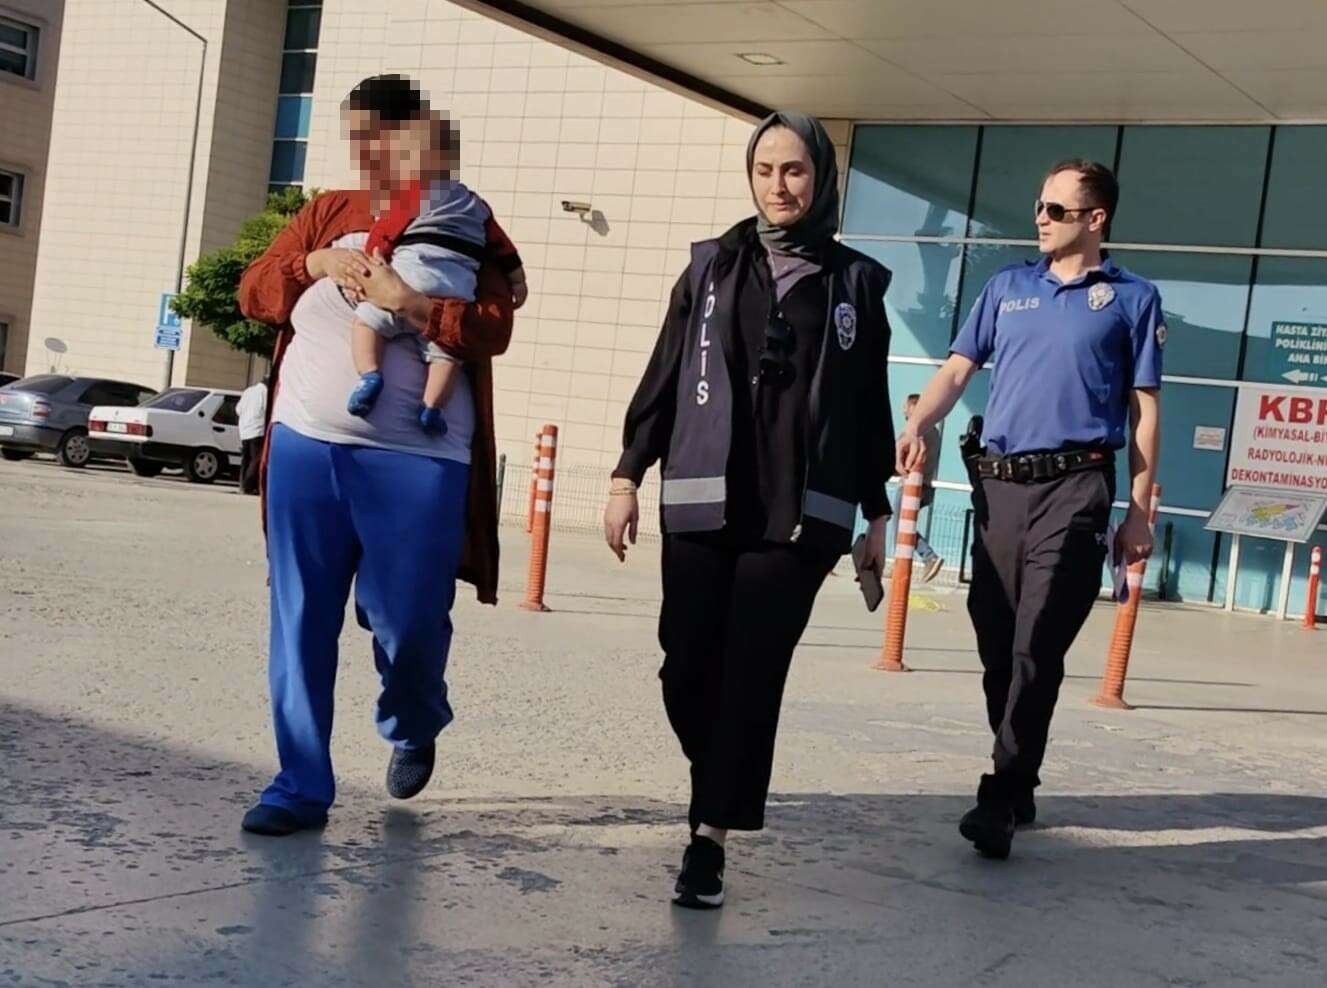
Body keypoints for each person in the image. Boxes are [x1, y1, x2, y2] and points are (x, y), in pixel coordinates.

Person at [603, 111, 895, 908]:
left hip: (801, 516)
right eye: (765, 170)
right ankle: (720, 780)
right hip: (704, 498)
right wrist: (628, 474)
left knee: (751, 674)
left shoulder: (855, 282)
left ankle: (708, 839)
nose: (778, 185)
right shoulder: (710, 266)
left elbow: (867, 405)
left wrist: (876, 514)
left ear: (820, 177)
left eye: (794, 170)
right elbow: (665, 372)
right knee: (684, 665)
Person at [234, 74, 524, 837]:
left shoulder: (461, 213)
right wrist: (313, 264)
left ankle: (413, 719)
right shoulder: (328, 212)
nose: (364, 153)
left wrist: (410, 304)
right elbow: (253, 293)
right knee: (300, 616)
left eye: (377, 137)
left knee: (409, 619)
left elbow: (493, 326)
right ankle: (299, 785)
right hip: (305, 444)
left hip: (420, 459)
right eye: (354, 138)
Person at [898, 159, 1162, 860]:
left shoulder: (1132, 299)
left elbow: (1143, 410)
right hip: (1000, 489)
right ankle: (1018, 779)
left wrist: (1138, 510)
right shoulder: (1006, 288)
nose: (1040, 219)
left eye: (1056, 210)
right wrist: (918, 422)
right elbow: (957, 369)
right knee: (995, 640)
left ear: (1095, 219)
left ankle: (999, 792)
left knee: (1037, 640)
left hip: (1076, 488)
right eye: (1039, 207)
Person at [345, 78, 526, 433]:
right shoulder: (476, 204)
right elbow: (503, 247)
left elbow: (384, 235)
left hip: (410, 275)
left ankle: (369, 374)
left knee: (366, 323)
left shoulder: (412, 195)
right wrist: (518, 281)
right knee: (447, 356)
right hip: (455, 289)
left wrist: (368, 270)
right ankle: (431, 407)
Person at [899, 393, 944, 582]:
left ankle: (928, 556)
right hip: (925, 485)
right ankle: (902, 564)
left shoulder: (917, 432)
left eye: (907, 407)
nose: (904, 411)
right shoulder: (933, 431)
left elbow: (905, 457)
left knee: (902, 526)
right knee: (903, 526)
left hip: (913, 485)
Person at [236, 377, 269, 496]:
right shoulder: (265, 393)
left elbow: (238, 410)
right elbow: (267, 411)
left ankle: (242, 485)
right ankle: (248, 486)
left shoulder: (248, 391)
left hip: (244, 430)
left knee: (246, 459)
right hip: (257, 430)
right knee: (256, 459)